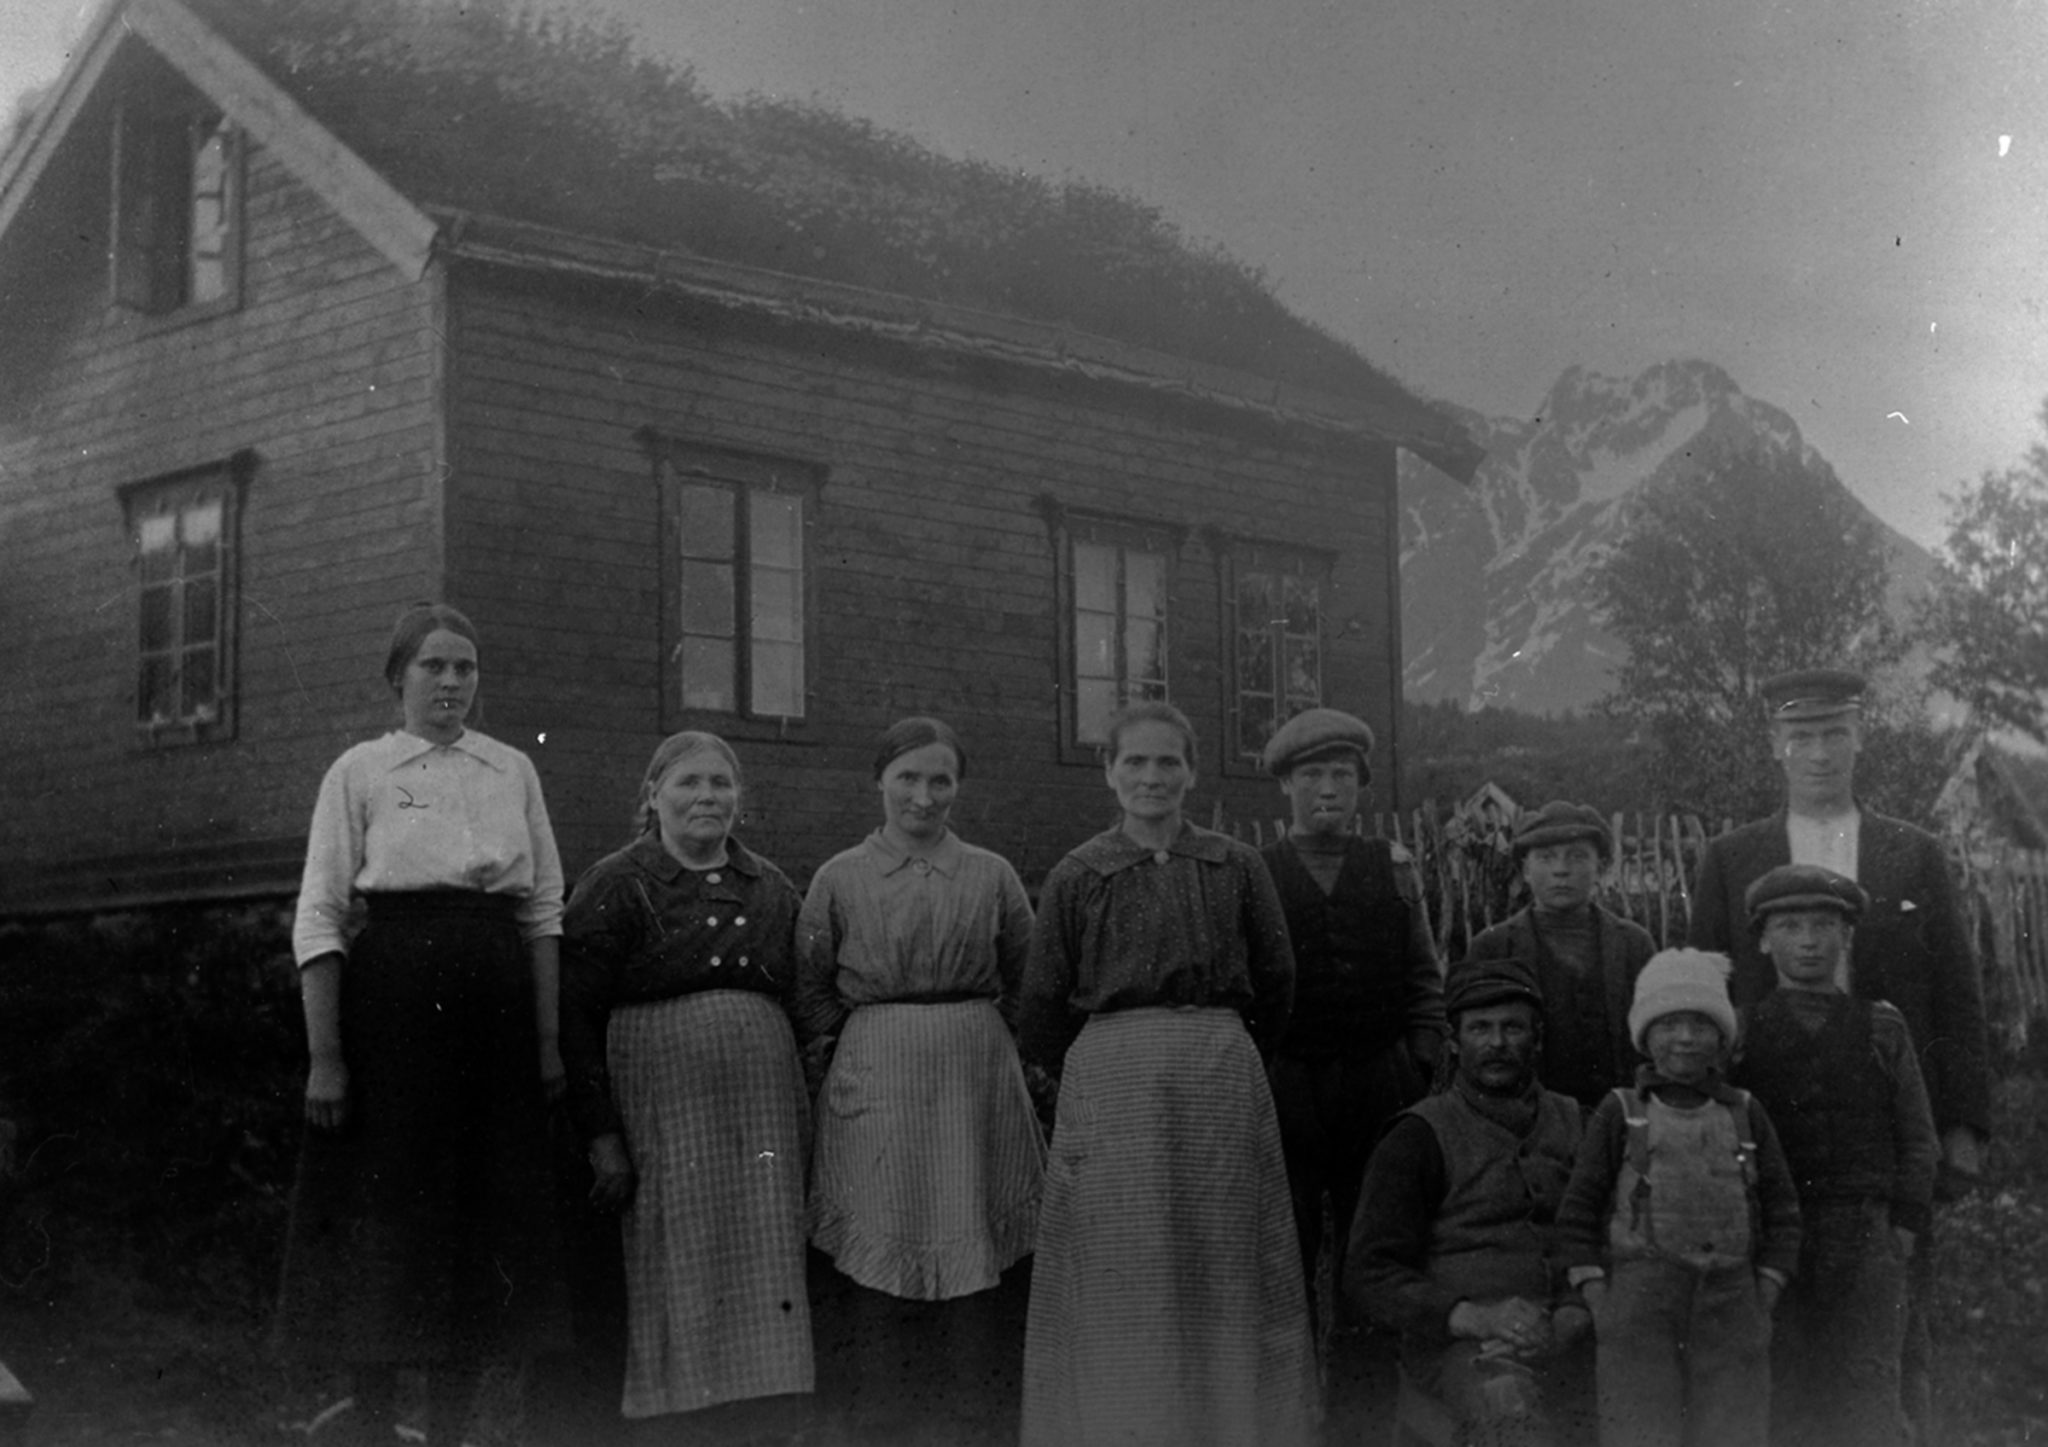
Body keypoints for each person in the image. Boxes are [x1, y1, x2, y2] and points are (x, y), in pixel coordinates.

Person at [275, 602, 570, 1446]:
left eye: (465, 668)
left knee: (479, 1216)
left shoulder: (511, 769)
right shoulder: (361, 771)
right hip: (394, 1006)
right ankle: (373, 1423)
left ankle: (446, 1430)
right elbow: (321, 915)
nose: (450, 683)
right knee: (388, 1212)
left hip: (496, 1004)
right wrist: (326, 1057)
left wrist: (545, 1043)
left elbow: (544, 908)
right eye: (432, 667)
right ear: (397, 678)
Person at [1688, 666, 1990, 1432]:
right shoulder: (1730, 858)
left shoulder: (1911, 853)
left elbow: (1957, 992)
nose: (1819, 752)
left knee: (1890, 1332)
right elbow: (1702, 1001)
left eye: (1834, 733)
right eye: (1801, 736)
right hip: (1772, 1128)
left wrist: (1962, 1126)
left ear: (1860, 737)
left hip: (1885, 1131)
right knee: (1775, 1333)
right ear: (1775, 746)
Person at [1018, 700, 1318, 1447]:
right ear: (1109, 772)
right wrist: (1110, 1064)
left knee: (1224, 1259)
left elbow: (1277, 982)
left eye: (1167, 762)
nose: (1151, 778)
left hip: (1218, 1076)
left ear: (1191, 771)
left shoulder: (1235, 865)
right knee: (1121, 1264)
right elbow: (1043, 1004)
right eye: (1135, 762)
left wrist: (1215, 1046)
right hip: (1112, 1081)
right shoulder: (1079, 873)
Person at [559, 732, 813, 1444]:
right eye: (688, 783)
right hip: (660, 1105)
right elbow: (573, 1015)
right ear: (652, 796)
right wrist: (602, 1132)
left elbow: (803, 997)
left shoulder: (771, 886)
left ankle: (763, 1419)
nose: (707, 797)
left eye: (721, 784)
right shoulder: (616, 882)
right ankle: (677, 1418)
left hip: (761, 1104)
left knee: (766, 1255)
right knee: (678, 1252)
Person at [793, 717, 1042, 1443]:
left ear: (958, 787)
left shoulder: (991, 873)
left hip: (974, 1073)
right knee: (879, 1229)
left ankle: (973, 1414)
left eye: (940, 780)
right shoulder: (839, 876)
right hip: (876, 1071)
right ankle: (880, 1415)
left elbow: (1029, 978)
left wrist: (1010, 1054)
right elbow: (810, 983)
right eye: (908, 777)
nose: (923, 796)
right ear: (880, 780)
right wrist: (849, 1053)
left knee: (972, 1226)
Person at [1256, 707, 1443, 1440]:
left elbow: (1425, 976)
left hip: (1378, 1084)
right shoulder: (1257, 873)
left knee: (1370, 1251)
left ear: (1362, 786)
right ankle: (1286, 1414)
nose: (1327, 788)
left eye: (1341, 775)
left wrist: (1419, 1059)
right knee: (1287, 1249)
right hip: (1288, 1086)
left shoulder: (1394, 869)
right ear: (1285, 788)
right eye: (1311, 775)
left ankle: (1359, 1418)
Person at [1557, 948, 1803, 1447]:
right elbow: (1578, 1213)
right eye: (1669, 1025)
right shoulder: (1621, 1111)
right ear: (1646, 1036)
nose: (1686, 1039)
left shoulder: (1746, 1113)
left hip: (1733, 1301)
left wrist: (1765, 1293)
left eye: (1700, 1024)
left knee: (1733, 1430)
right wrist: (1601, 1300)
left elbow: (1784, 1211)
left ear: (1722, 1037)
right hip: (1640, 1305)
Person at [1728, 864, 1937, 1447]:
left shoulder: (1882, 1027)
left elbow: (1918, 1137)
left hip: (1866, 1229)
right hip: (1776, 1235)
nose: (1809, 940)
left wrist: (1903, 1226)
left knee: (1868, 1381)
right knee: (1784, 1380)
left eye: (1824, 925)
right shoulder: (1741, 1032)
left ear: (1847, 937)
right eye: (1790, 925)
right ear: (1766, 940)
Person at [1347, 957, 1592, 1447]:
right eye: (1480, 1029)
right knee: (1507, 1406)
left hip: (1573, 1329)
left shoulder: (1581, 1123)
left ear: (1537, 1040)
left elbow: (1607, 1233)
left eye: (1513, 1028)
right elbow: (1370, 1271)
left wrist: (1572, 1316)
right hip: (1464, 1345)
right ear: (1454, 1043)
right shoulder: (1418, 1136)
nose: (1497, 1043)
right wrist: (1473, 1317)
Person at [1469, 801, 1656, 1110]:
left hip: (1619, 1114)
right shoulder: (1492, 948)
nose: (1561, 870)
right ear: (1525, 870)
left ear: (1602, 867)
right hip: (1528, 1119)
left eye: (1577, 856)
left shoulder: (1634, 944)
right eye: (1545, 858)